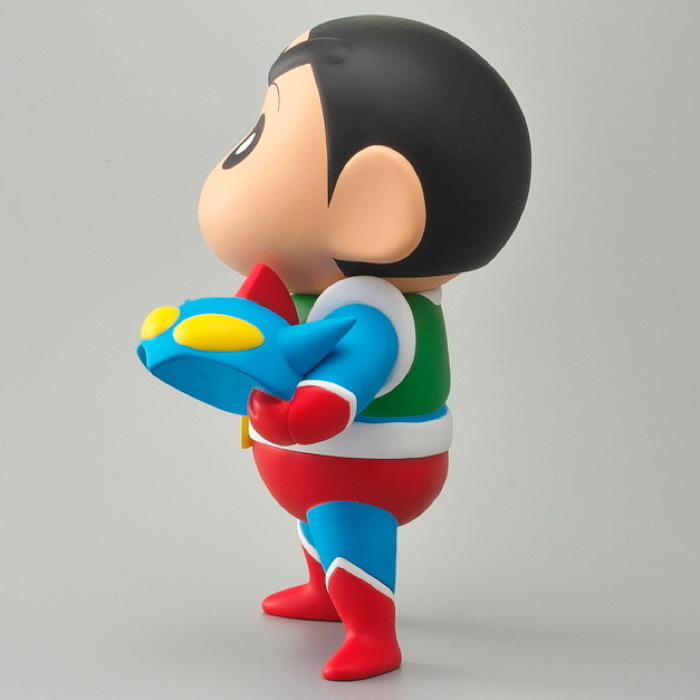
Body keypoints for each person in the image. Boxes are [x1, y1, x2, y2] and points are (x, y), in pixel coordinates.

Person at [196, 15, 530, 681]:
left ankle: (372, 633)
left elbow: (333, 399)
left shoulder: (370, 311)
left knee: (346, 526)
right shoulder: (312, 293)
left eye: (257, 139)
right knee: (317, 521)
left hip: (371, 474)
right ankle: (321, 591)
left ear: (371, 208)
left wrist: (287, 416)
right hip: (322, 470)